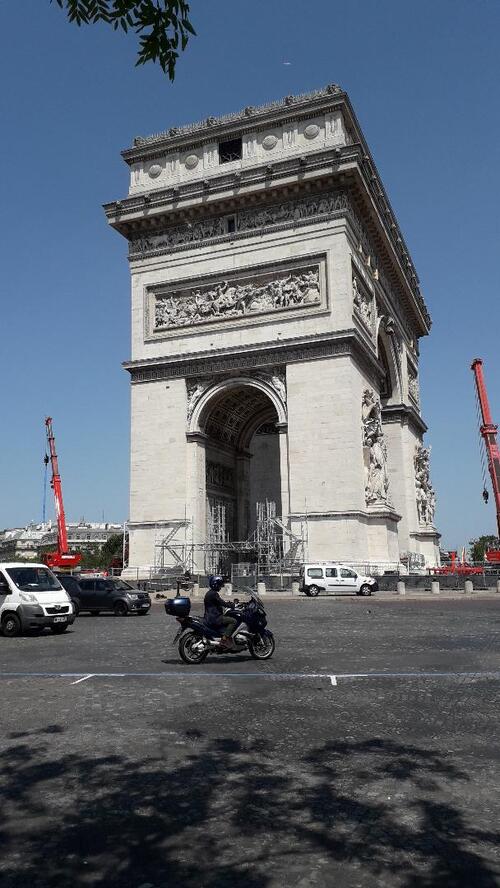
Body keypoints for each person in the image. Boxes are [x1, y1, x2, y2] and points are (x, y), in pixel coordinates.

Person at [204, 576, 237, 648]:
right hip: (214, 617)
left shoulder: (210, 593)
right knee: (233, 621)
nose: (220, 587)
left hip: (210, 616)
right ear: (215, 584)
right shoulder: (213, 594)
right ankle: (224, 640)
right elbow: (221, 602)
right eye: (219, 584)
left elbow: (218, 603)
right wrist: (231, 605)